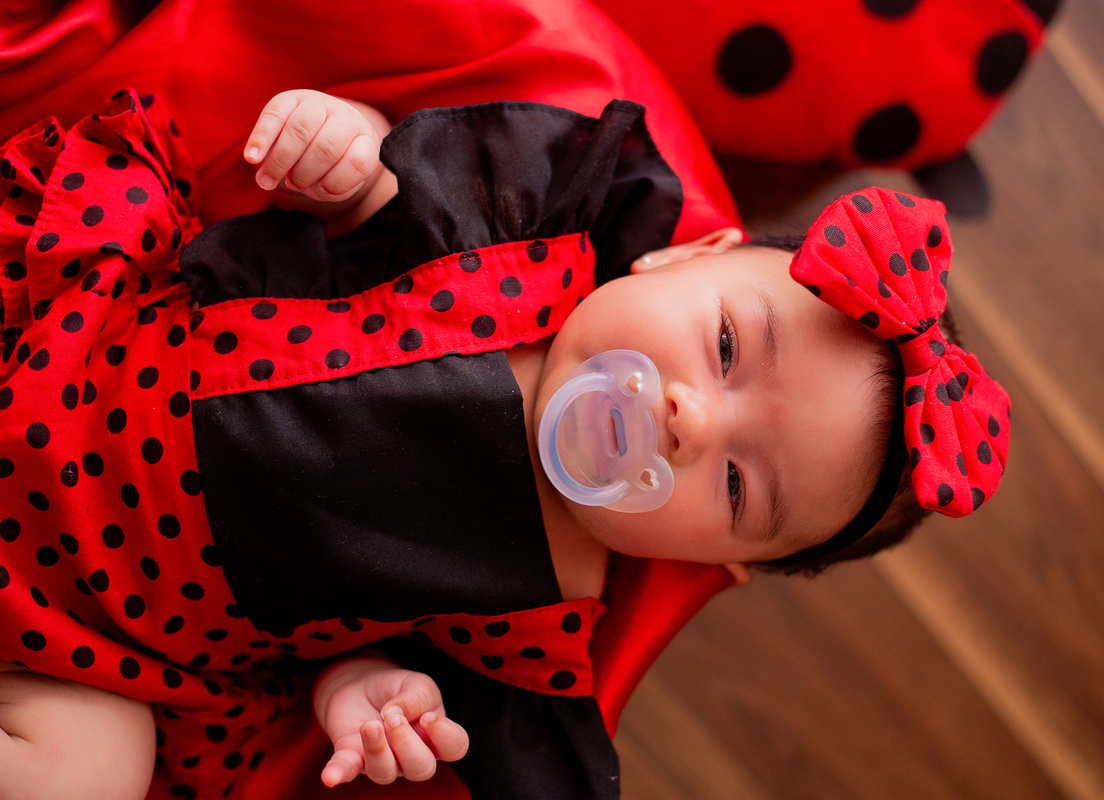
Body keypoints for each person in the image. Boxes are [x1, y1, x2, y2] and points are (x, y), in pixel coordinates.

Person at [0, 88, 1009, 800]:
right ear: (679, 256)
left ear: (723, 561)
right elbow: (377, 206)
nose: (693, 420)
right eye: (727, 348)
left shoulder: (538, 625)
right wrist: (344, 159)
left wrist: (372, 697)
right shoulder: (522, 238)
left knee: (93, 775)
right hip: (70, 353)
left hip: (98, 639)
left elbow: (357, 647)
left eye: (740, 486)